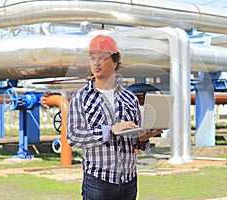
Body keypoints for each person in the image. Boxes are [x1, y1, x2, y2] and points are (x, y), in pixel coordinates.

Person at [67, 34, 161, 200]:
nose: (95, 63)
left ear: (115, 61)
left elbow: (134, 142)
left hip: (128, 181)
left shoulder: (129, 99)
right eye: (92, 58)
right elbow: (73, 137)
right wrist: (109, 130)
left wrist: (144, 137)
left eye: (102, 58)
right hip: (98, 181)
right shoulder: (81, 97)